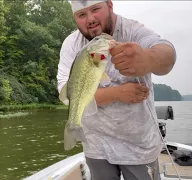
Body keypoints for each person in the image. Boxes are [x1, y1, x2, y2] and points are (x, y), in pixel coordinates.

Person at [56, 0, 176, 179]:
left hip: (139, 146)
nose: (90, 19)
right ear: (75, 18)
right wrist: (117, 94)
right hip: (95, 144)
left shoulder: (133, 31)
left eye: (95, 9)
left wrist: (148, 59)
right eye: (82, 14)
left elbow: (168, 55)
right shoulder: (71, 44)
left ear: (110, 6)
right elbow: (66, 96)